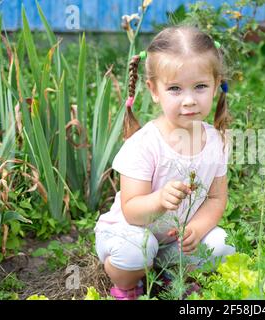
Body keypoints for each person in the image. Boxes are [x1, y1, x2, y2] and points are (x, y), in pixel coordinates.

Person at [94, 25, 236, 300]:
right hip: (132, 232)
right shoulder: (145, 143)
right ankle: (126, 286)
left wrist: (197, 229)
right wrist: (159, 199)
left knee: (221, 245)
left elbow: (217, 198)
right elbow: (133, 211)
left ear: (216, 85)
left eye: (201, 87)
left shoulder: (217, 140)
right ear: (154, 90)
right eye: (174, 89)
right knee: (136, 250)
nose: (189, 100)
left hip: (174, 238)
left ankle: (172, 274)